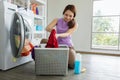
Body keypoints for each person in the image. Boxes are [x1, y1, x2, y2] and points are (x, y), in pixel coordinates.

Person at [46, 4, 77, 69]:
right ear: (63, 13)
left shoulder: (75, 24)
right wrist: (54, 31)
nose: (68, 17)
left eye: (70, 16)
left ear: (73, 16)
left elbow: (67, 34)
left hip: (68, 46)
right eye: (66, 15)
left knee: (72, 66)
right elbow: (47, 28)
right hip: (57, 44)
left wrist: (58, 35)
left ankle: (62, 61)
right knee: (43, 41)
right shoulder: (57, 20)